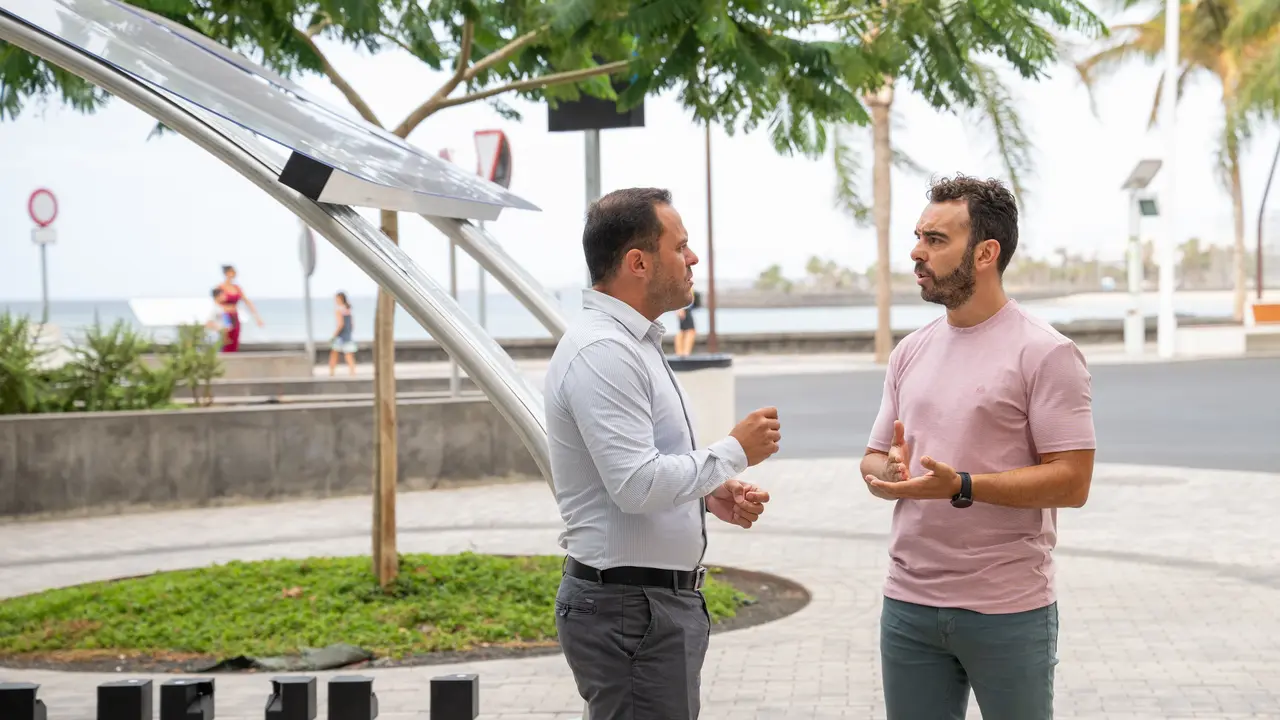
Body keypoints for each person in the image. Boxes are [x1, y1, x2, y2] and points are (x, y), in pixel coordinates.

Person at [860, 174, 1096, 720]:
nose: (917, 253)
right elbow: (874, 456)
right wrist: (887, 471)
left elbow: (1072, 481)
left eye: (936, 240)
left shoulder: (1046, 353)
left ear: (986, 252)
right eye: (919, 236)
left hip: (1007, 609)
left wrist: (962, 487)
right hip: (909, 604)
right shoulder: (909, 352)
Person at [545, 187, 781, 720]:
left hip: (642, 607)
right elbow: (635, 485)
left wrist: (707, 492)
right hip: (632, 610)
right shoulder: (605, 351)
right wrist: (732, 454)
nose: (693, 259)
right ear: (637, 261)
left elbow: (639, 470)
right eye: (681, 246)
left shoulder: (632, 343)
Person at [216, 264, 264, 352]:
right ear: (226, 273)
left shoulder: (237, 288)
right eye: (232, 272)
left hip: (235, 316)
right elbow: (216, 303)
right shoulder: (220, 287)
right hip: (225, 316)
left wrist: (257, 318)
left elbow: (247, 302)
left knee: (234, 340)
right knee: (226, 341)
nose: (234, 274)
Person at [328, 292, 357, 376]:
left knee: (334, 354)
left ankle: (331, 372)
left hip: (340, 336)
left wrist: (333, 335)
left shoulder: (339, 310)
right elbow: (352, 325)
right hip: (347, 335)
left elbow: (340, 324)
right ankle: (352, 372)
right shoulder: (348, 310)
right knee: (349, 355)